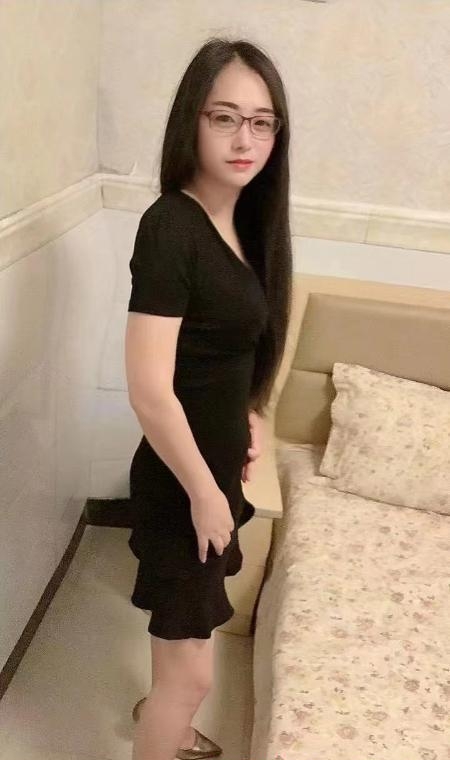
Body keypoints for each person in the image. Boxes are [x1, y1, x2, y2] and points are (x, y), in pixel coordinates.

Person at [124, 36, 292, 760]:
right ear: (191, 120)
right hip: (182, 483)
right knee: (192, 678)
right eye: (225, 117)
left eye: (262, 122)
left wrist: (249, 416)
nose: (245, 139)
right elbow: (149, 389)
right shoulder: (172, 226)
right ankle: (168, 722)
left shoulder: (243, 224)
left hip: (213, 472)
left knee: (182, 654)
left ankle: (166, 716)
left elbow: (227, 350)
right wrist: (203, 492)